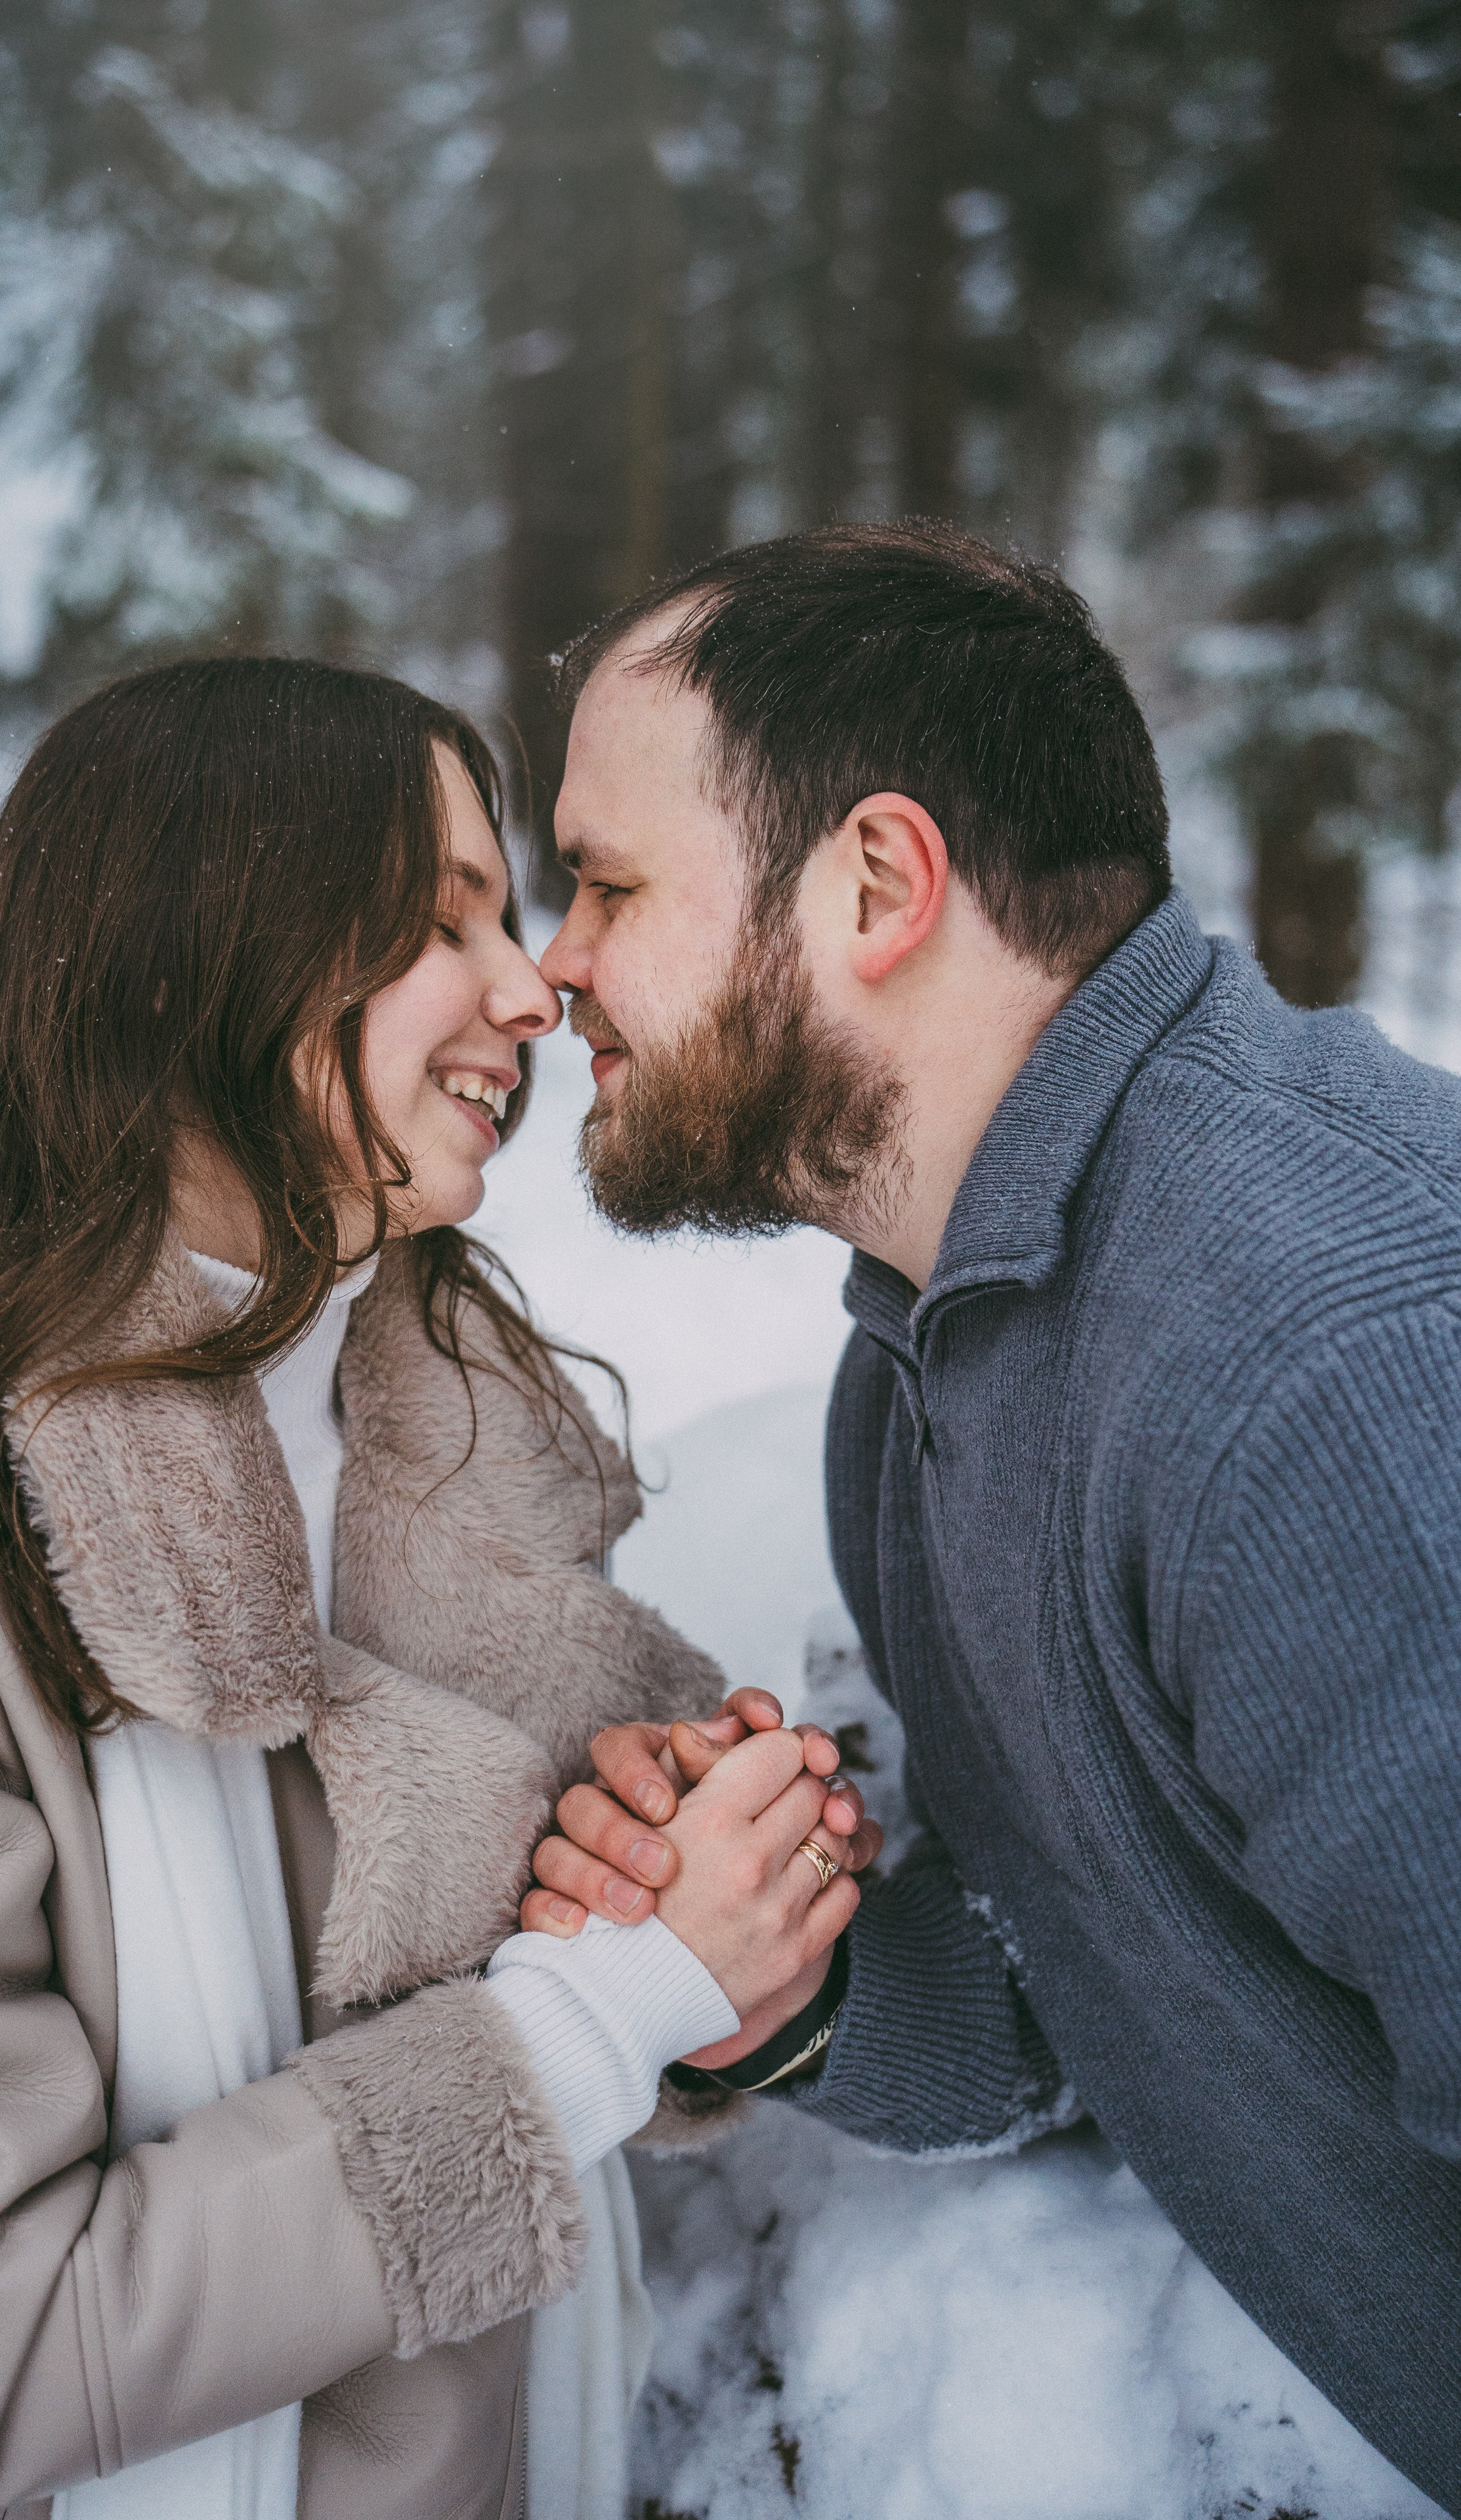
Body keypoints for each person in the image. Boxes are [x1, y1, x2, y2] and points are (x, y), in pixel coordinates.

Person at [0, 658, 878, 2520]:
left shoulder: (458, 1444)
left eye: (516, 916)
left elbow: (581, 1953)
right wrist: (592, 2010)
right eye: (446, 920)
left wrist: (715, 1896)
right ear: (201, 953)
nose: (535, 990)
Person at [524, 520, 1461, 2520]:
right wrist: (795, 1990)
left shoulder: (1327, 1372)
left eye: (605, 882)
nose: (556, 960)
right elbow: (1096, 1982)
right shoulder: (930, 1371)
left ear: (877, 882)